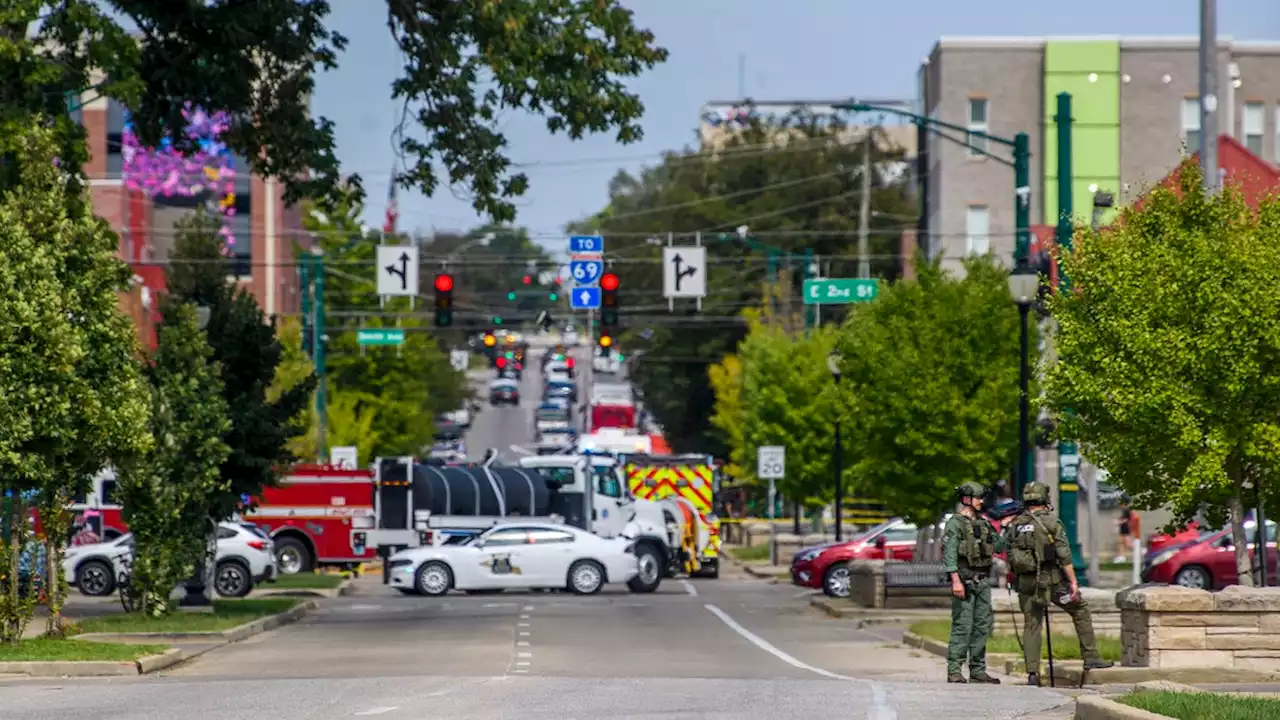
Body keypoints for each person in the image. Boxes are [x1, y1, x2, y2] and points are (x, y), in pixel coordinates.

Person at [1006, 481, 1114, 686]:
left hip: (1026, 583)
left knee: (1032, 625)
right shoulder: (1052, 522)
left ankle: (1032, 673)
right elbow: (1064, 557)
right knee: (1080, 609)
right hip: (1052, 582)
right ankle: (1091, 658)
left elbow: (1009, 555)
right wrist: (1073, 582)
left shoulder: (1015, 524)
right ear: (1044, 498)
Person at [941, 481, 1003, 684]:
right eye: (978, 498)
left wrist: (1003, 525)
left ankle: (977, 669)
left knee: (982, 626)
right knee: (962, 625)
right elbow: (949, 553)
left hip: (982, 581)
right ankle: (954, 670)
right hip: (965, 580)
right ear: (967, 499)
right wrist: (955, 580)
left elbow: (1000, 546)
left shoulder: (984, 523)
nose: (981, 501)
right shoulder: (955, 523)